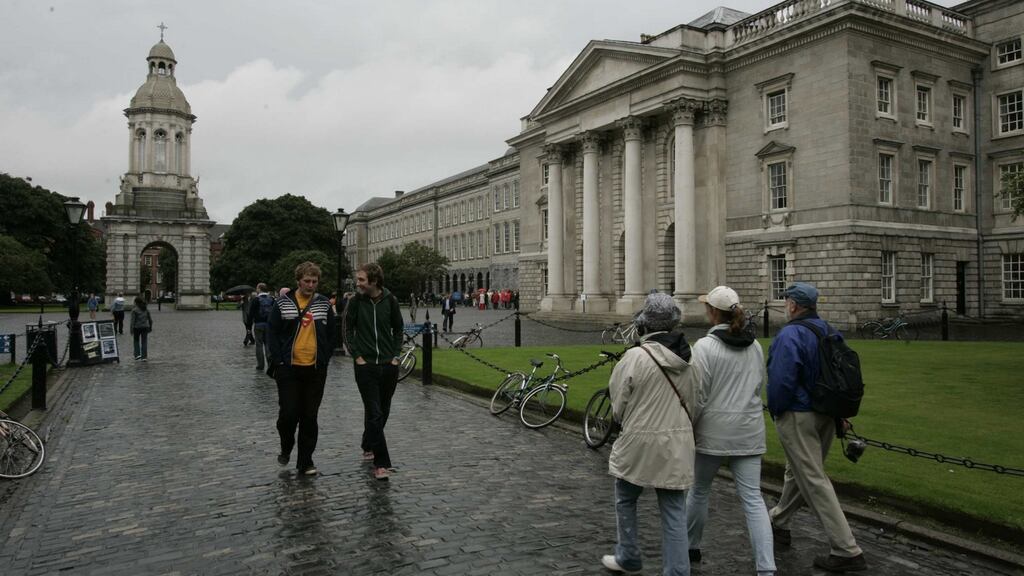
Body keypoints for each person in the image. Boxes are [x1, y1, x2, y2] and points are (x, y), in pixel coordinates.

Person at [767, 282, 867, 573]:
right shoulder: (829, 330)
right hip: (828, 413)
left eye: (787, 301)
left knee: (812, 478)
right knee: (798, 472)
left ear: (794, 305)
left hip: (799, 414)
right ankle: (779, 520)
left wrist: (776, 410)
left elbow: (782, 380)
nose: (786, 305)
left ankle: (846, 549)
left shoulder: (790, 334)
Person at [603, 292, 696, 576]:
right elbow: (695, 402)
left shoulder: (634, 357)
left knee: (626, 498)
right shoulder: (690, 357)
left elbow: (617, 405)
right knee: (674, 513)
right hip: (677, 443)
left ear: (645, 323)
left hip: (638, 442)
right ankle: (678, 571)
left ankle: (628, 556)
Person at [686, 286, 776, 575]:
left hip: (713, 431)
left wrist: (690, 425)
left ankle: (691, 546)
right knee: (753, 499)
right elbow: (758, 386)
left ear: (713, 313)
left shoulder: (704, 347)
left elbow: (698, 395)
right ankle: (766, 567)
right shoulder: (755, 346)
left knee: (699, 491)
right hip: (748, 429)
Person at [267, 262, 337, 476]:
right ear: (298, 281)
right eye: (307, 281)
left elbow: (332, 334)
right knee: (288, 414)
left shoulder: (323, 304)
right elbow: (272, 333)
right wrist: (278, 361)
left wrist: (325, 357)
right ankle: (286, 445)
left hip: (315, 369)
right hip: (288, 368)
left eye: (314, 281)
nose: (310, 285)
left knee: (309, 416)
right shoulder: (282, 304)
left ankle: (305, 461)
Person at [346, 262, 404, 481]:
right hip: (366, 366)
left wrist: (396, 355)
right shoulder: (355, 302)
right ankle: (381, 464)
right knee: (375, 411)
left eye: (361, 279)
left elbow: (398, 328)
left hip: (389, 365)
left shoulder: (391, 301)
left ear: (374, 280)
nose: (357, 283)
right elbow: (347, 330)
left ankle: (367, 442)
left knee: (383, 410)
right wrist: (357, 356)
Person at [248, 283, 274, 371]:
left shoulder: (255, 300)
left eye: (257, 288)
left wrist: (249, 327)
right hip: (269, 325)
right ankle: (270, 364)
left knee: (259, 345)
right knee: (268, 344)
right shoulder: (272, 299)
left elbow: (250, 314)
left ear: (259, 289)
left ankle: (260, 365)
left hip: (258, 324)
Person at [129, 296, 152, 361]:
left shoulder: (134, 310)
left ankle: (137, 355)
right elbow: (150, 320)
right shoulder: (146, 309)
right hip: (145, 327)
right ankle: (144, 357)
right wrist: (150, 327)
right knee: (144, 342)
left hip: (137, 328)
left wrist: (131, 329)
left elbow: (132, 321)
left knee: (136, 341)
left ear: (136, 303)